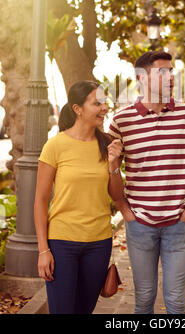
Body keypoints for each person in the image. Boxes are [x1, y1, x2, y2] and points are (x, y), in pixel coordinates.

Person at [109, 50, 185, 314]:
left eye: (171, 72)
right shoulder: (121, 121)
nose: (171, 78)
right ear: (142, 78)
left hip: (179, 225)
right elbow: (110, 172)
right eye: (163, 72)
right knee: (144, 299)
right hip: (139, 225)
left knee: (176, 301)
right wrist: (124, 209)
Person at [34, 80, 123, 314]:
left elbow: (116, 195)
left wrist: (114, 164)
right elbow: (41, 201)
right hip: (62, 243)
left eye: (105, 103)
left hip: (99, 243)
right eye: (97, 103)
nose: (104, 108)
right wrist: (44, 250)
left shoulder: (107, 144)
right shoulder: (55, 146)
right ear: (78, 109)